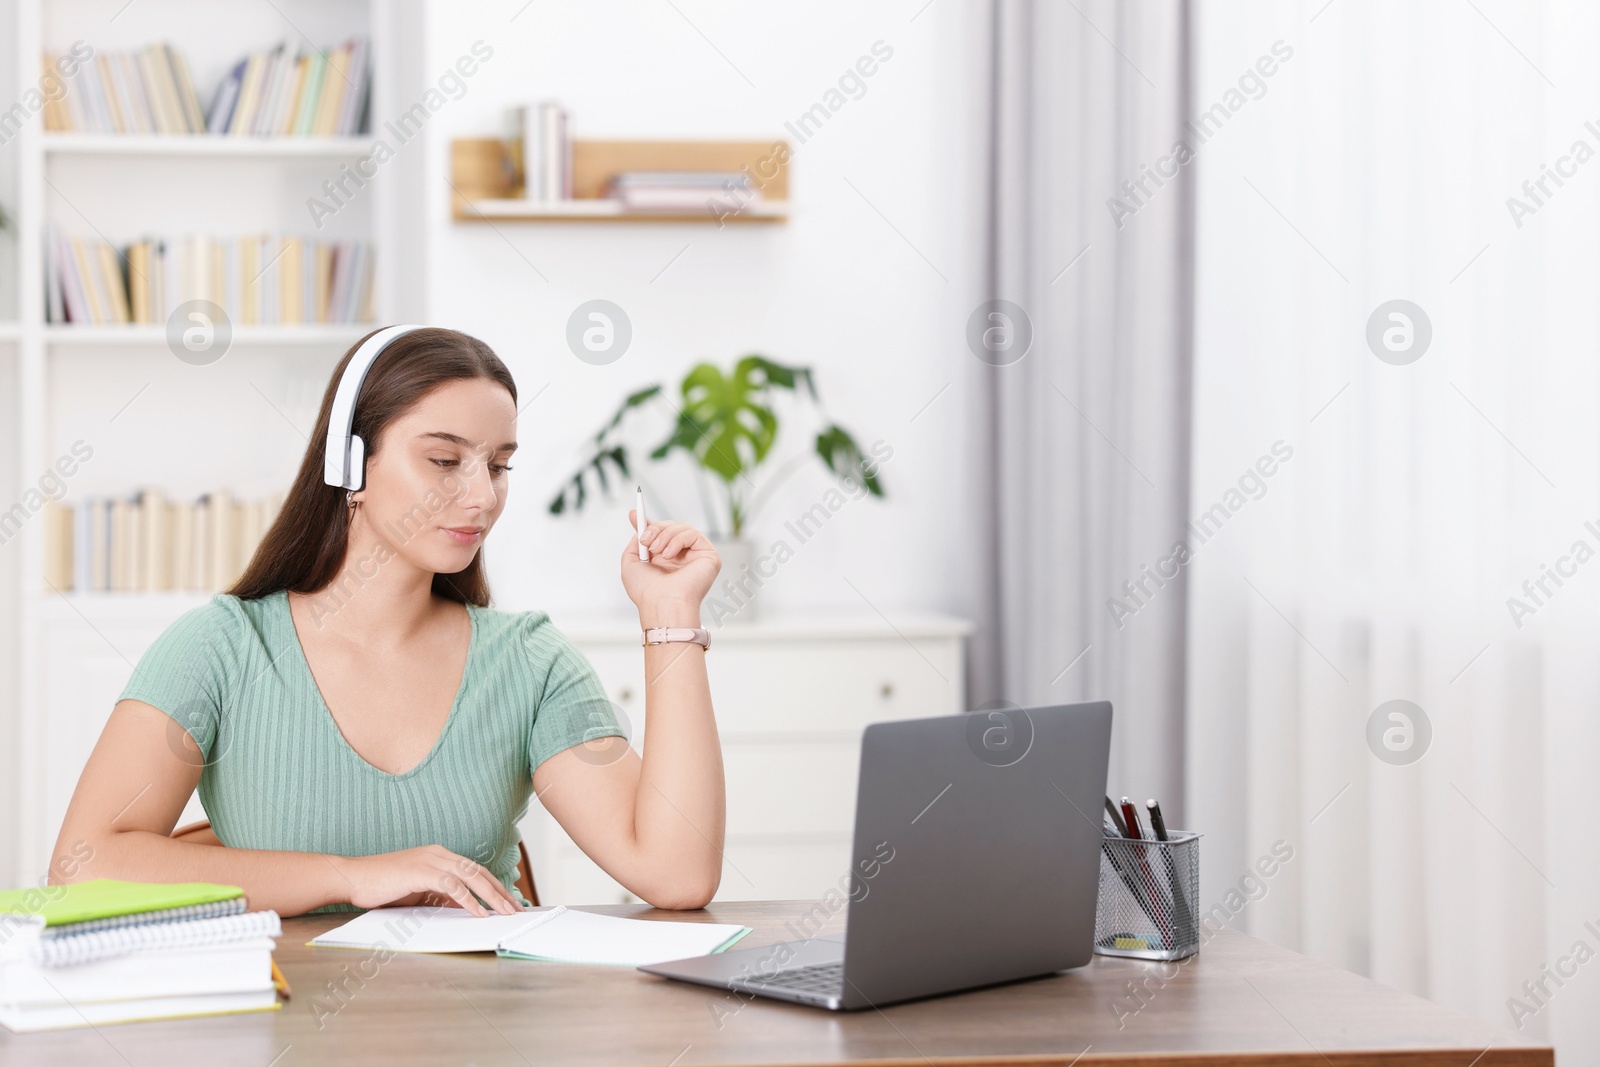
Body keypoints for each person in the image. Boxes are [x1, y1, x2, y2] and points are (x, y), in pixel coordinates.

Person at [50, 327, 725, 916]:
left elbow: (676, 874)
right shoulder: (221, 648)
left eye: (498, 465)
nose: (483, 496)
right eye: (443, 460)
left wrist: (670, 614)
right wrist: (351, 876)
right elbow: (83, 866)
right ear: (351, 464)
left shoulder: (529, 662)